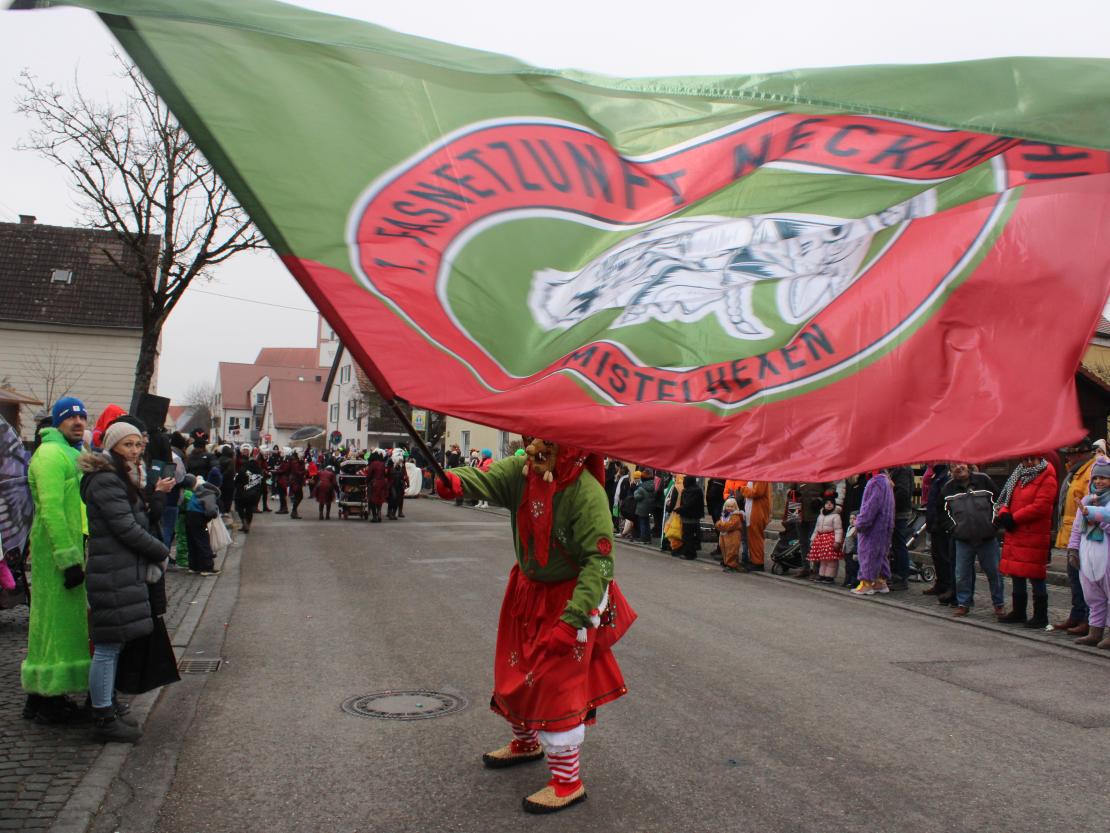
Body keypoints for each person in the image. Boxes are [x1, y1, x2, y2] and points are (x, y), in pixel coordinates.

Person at [435, 438, 635, 814]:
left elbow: (601, 563)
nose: (531, 449)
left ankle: (567, 781)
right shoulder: (522, 470)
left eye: (542, 442)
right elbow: (488, 478)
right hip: (527, 592)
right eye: (529, 440)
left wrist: (574, 619)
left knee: (555, 684)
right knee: (516, 669)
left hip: (569, 600)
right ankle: (526, 742)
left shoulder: (585, 492)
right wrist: (454, 481)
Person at [78, 419, 171, 742]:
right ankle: (103, 717)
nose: (134, 450)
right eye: (127, 445)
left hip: (120, 569)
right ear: (113, 446)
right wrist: (161, 550)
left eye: (137, 444)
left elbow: (136, 519)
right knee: (107, 647)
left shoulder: (121, 477)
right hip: (112, 571)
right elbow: (126, 527)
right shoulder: (106, 479)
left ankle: (108, 705)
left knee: (115, 644)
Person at [21, 397, 92, 724]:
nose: (78, 422)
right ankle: (48, 698)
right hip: (57, 554)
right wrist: (67, 559)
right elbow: (50, 510)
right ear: (58, 421)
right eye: (71, 418)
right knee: (52, 623)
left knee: (59, 624)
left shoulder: (71, 452)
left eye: (82, 417)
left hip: (71, 549)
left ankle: (42, 695)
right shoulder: (50, 454)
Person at [996, 455, 1057, 628]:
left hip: (1033, 532)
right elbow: (1005, 498)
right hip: (1016, 531)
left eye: (1033, 459)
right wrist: (1004, 514)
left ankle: (1040, 615)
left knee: (1036, 574)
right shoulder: (1018, 474)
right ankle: (1019, 611)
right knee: (1017, 572)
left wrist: (1014, 518)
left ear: (1040, 459)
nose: (1029, 463)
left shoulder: (1047, 476)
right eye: (1025, 459)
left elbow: (1042, 505)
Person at [942, 462, 1003, 617]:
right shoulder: (947, 489)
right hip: (963, 539)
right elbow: (943, 513)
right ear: (950, 471)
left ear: (967, 465)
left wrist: (994, 525)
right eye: (953, 466)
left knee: (994, 573)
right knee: (961, 574)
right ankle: (963, 603)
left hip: (987, 537)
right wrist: (953, 528)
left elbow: (999, 502)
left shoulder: (984, 480)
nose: (958, 467)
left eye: (960, 464)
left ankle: (999, 604)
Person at [1052, 441, 1096, 635]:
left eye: (1070, 454)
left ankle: (1088, 619)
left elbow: (1087, 504)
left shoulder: (1090, 472)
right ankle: (1077, 614)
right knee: (1074, 577)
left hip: (1084, 534)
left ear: (1081, 454)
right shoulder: (1076, 471)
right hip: (1072, 533)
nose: (1067, 457)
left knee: (1084, 580)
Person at [1067, 457, 1110, 648]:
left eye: (1104, 478)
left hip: (1106, 556)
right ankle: (1095, 631)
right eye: (1096, 478)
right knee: (1093, 595)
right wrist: (1073, 549)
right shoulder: (1086, 499)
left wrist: (1093, 516)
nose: (1099, 481)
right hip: (1088, 555)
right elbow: (1077, 528)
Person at [852, 470, 895, 595]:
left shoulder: (875, 482)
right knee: (881, 553)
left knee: (868, 553)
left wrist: (860, 523)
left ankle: (866, 583)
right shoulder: (887, 482)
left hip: (873, 527)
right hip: (885, 525)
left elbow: (870, 507)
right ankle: (880, 582)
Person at [923, 464, 953, 600]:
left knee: (943, 555)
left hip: (940, 523)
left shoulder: (944, 477)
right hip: (934, 522)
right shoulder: (937, 476)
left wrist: (938, 521)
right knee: (936, 555)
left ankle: (946, 585)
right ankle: (940, 583)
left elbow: (942, 503)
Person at [184, 475, 221, 575]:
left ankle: (194, 566)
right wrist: (212, 516)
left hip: (189, 515)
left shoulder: (198, 492)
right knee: (203, 541)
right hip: (198, 517)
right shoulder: (210, 494)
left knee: (192, 541)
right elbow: (211, 511)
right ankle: (206, 567)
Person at [887, 465, 916, 591]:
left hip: (898, 512)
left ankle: (901, 576)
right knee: (896, 544)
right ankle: (896, 574)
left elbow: (903, 492)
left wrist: (888, 502)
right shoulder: (897, 469)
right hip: (896, 511)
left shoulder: (902, 469)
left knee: (899, 544)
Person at [810, 495, 844, 583]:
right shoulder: (821, 515)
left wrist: (837, 541)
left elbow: (838, 529)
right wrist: (813, 539)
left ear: (834, 505)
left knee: (831, 559)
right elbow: (816, 528)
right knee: (823, 559)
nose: (829, 505)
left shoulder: (836, 516)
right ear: (824, 505)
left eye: (831, 503)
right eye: (827, 503)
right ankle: (822, 575)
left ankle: (830, 576)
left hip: (830, 539)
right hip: (821, 539)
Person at [740, 480, 770, 571]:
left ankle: (758, 562)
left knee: (756, 537)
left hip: (757, 512)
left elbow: (757, 492)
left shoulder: (761, 478)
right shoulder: (755, 477)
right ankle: (754, 560)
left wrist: (743, 489)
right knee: (752, 538)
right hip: (752, 511)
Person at [235, 452, 265, 532]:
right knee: (249, 510)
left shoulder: (243, 469)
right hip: (254, 494)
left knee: (240, 508)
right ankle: (247, 524)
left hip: (242, 493)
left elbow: (236, 481)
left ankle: (244, 522)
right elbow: (261, 483)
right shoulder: (259, 471)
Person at [677, 475, 704, 560]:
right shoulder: (698, 490)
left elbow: (687, 504)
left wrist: (679, 510)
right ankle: (692, 552)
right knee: (692, 535)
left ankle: (689, 554)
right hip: (696, 516)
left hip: (687, 516)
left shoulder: (687, 491)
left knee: (687, 535)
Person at [716, 497, 745, 572]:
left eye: (732, 506)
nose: (729, 508)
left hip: (733, 536)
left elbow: (730, 525)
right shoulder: (725, 515)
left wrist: (721, 525)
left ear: (735, 507)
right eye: (728, 506)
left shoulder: (736, 516)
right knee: (725, 548)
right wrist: (721, 524)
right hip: (725, 535)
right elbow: (719, 523)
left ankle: (731, 564)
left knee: (732, 550)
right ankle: (727, 562)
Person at [633, 469, 655, 544]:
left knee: (642, 523)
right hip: (648, 507)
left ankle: (643, 539)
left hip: (641, 508)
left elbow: (636, 497)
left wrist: (636, 490)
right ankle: (648, 539)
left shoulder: (641, 487)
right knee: (647, 523)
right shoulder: (653, 485)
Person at [367, 451, 389, 522]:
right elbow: (385, 474)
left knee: (372, 499)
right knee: (379, 499)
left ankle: (374, 517)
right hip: (382, 482)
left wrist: (367, 481)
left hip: (375, 483)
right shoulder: (382, 464)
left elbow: (369, 474)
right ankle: (379, 514)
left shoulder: (373, 464)